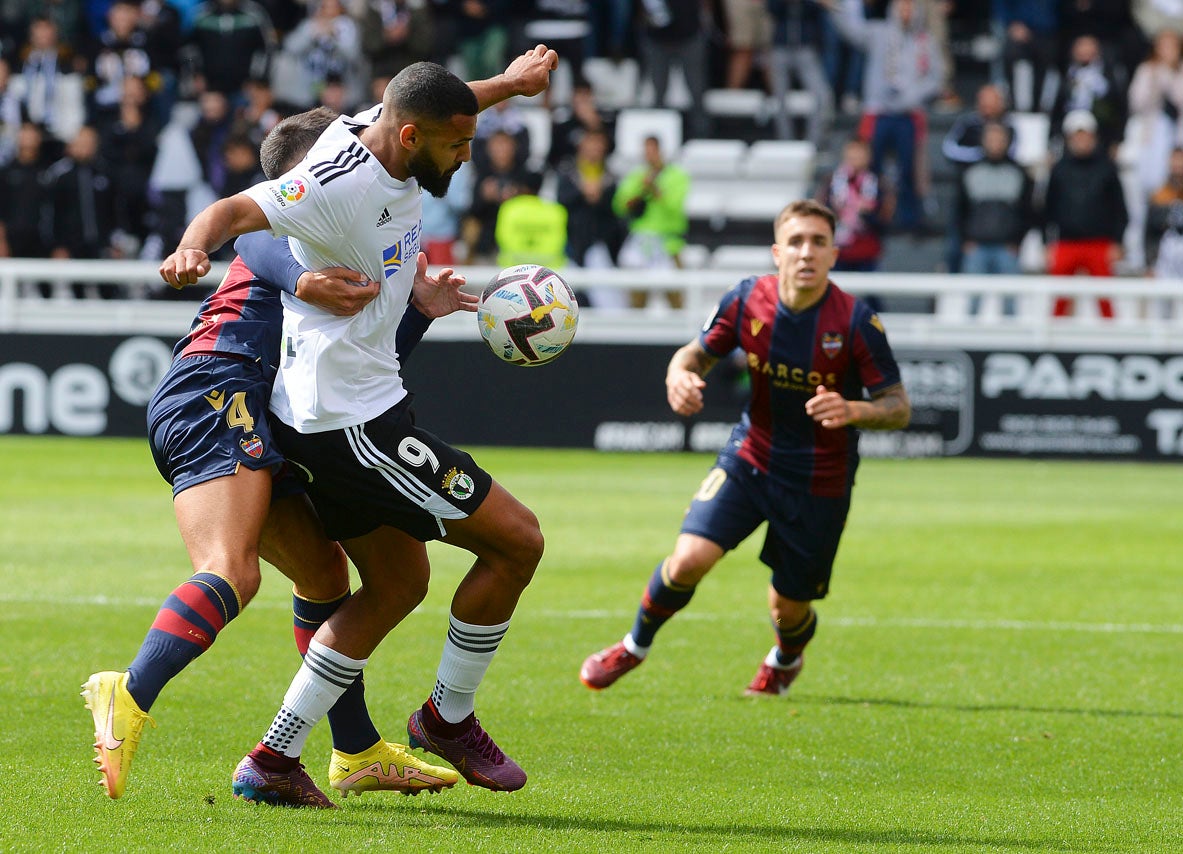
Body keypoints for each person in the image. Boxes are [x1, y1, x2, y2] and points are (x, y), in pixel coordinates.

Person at [157, 48, 558, 798]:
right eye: (456, 146)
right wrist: (190, 246)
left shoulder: (392, 123)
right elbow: (240, 217)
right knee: (517, 541)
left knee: (398, 582)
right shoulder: (334, 180)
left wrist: (511, 84)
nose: (465, 157)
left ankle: (273, 759)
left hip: (349, 406)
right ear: (410, 139)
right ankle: (447, 718)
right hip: (350, 424)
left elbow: (434, 98)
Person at [83, 106, 466, 807]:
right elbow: (253, 245)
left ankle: (351, 750)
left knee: (323, 577)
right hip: (216, 385)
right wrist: (296, 279)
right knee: (231, 571)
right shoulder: (288, 231)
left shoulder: (348, 239)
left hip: (263, 411)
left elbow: (362, 369)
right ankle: (126, 692)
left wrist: (417, 313)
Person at [580, 198, 911, 696]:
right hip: (750, 457)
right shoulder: (745, 300)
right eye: (796, 241)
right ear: (777, 252)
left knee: (787, 607)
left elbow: (898, 405)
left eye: (818, 242)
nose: (806, 252)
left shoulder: (856, 322)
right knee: (689, 558)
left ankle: (786, 656)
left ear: (834, 254)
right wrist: (680, 377)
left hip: (820, 479)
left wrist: (854, 409)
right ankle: (634, 645)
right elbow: (692, 356)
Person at [829, 0, 944, 233]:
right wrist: (835, 7)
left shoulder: (924, 40)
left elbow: (936, 77)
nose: (905, 12)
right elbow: (851, 31)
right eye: (901, 6)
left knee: (910, 167)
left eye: (910, 7)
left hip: (908, 113)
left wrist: (914, 94)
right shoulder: (879, 32)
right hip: (879, 111)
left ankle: (910, 217)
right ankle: (872, 216)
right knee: (870, 164)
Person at [1044, 109, 1128, 318]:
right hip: (1066, 242)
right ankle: (1054, 346)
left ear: (1094, 137)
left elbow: (1120, 208)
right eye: (1077, 135)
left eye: (1085, 135)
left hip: (1099, 243)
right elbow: (1048, 208)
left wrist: (1117, 241)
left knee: (1105, 301)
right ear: (1069, 138)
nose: (1081, 140)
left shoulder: (1107, 169)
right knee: (1059, 300)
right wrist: (1047, 243)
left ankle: (1112, 346)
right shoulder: (1059, 169)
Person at [955, 120, 1033, 315]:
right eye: (991, 138)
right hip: (977, 246)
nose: (995, 143)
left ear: (1007, 141)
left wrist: (1017, 241)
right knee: (973, 303)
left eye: (999, 138)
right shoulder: (970, 172)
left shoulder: (1019, 173)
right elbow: (959, 211)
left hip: (1007, 247)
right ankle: (972, 346)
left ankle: (1008, 346)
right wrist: (966, 240)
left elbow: (1028, 212)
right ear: (983, 141)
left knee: (1010, 305)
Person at [613, 134, 690, 309]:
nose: (649, 155)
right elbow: (620, 205)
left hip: (669, 244)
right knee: (637, 299)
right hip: (641, 244)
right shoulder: (637, 176)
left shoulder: (676, 176)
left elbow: (675, 206)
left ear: (660, 151)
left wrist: (655, 189)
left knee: (676, 298)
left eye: (653, 150)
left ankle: (680, 333)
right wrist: (642, 190)